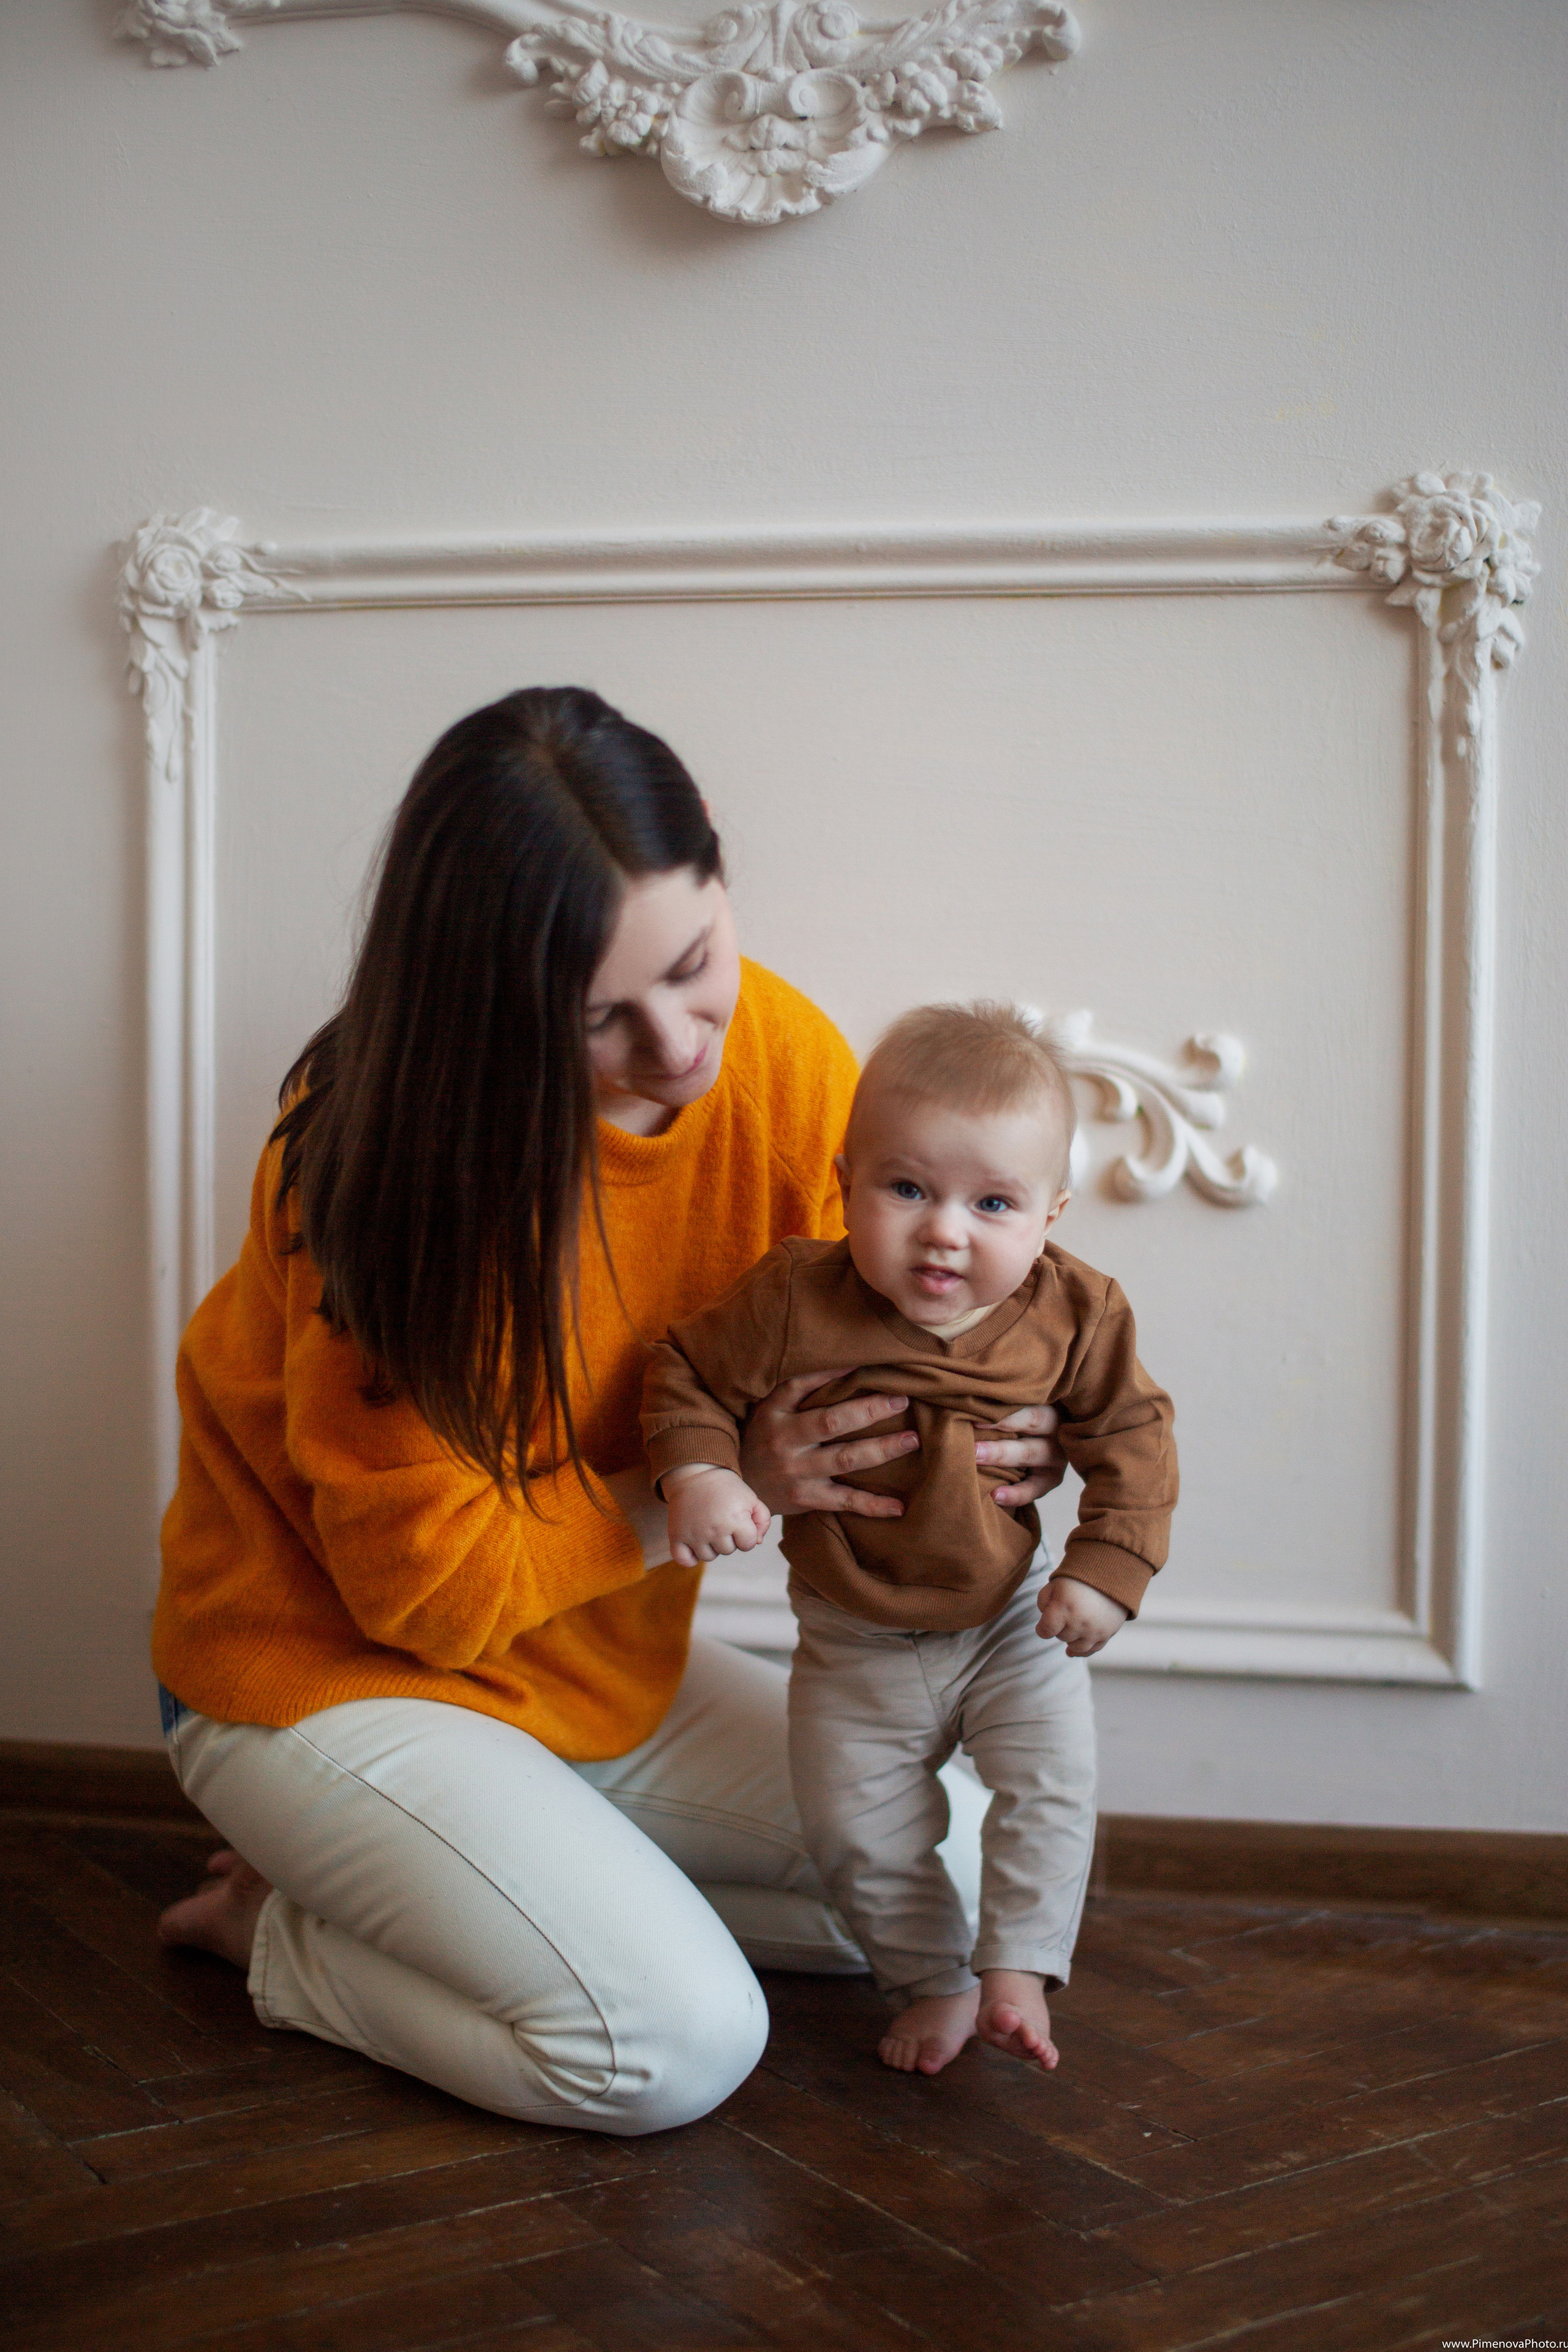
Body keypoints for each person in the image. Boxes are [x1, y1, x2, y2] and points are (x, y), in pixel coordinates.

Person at [152, 688, 1066, 2137]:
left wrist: (1004, 1411)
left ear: (713, 870)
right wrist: (716, 1480)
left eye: (693, 965)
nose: (679, 1046)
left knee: (943, 1890)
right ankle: (274, 1927)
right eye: (600, 1018)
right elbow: (423, 1598)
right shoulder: (376, 1172)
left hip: (587, 1672)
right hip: (332, 1675)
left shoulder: (780, 1058)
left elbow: (887, 1323)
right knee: (669, 2051)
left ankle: (484, 1890)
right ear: (492, 1007)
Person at [642, 1003, 1177, 2078]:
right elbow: (685, 1374)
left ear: (1050, 1214)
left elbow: (1132, 1435)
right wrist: (700, 1469)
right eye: (907, 1189)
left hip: (1009, 1624)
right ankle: (932, 1981)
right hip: (852, 1639)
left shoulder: (1076, 1312)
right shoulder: (797, 1297)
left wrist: (1106, 1571)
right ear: (845, 1182)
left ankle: (1020, 1969)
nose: (945, 1230)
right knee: (857, 1833)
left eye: (992, 1203)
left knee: (1051, 1787)